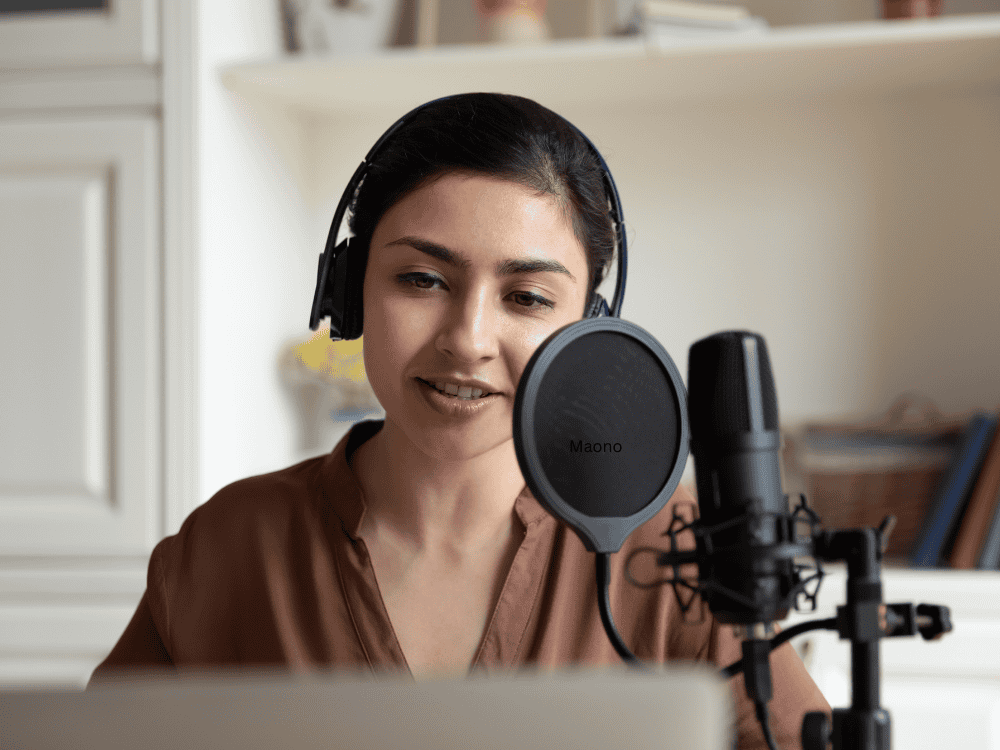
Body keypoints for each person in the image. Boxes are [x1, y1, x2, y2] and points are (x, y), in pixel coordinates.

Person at [88, 92, 830, 749]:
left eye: (528, 298)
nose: (468, 339)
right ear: (348, 294)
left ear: (588, 333)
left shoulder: (678, 550)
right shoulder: (227, 547)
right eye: (421, 279)